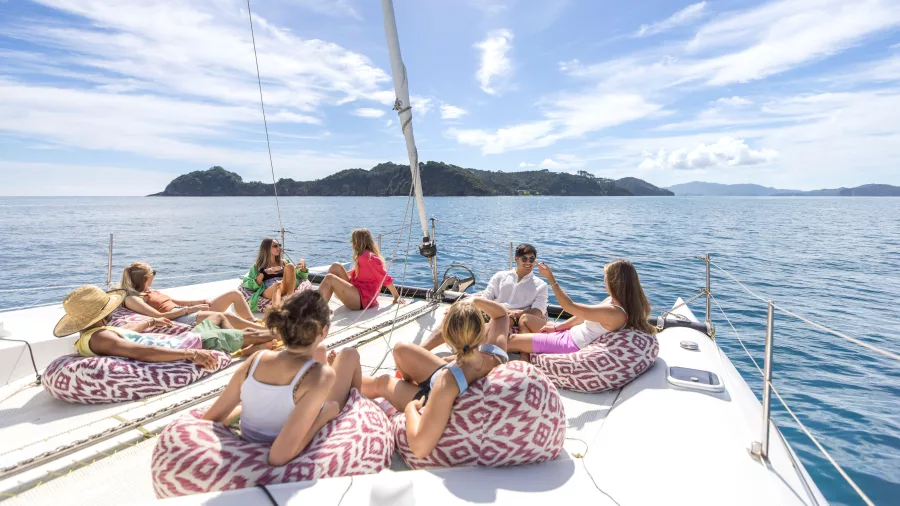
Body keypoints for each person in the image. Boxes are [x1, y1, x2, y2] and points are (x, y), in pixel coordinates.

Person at [202, 290, 362, 466]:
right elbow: (278, 457)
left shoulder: (256, 359)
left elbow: (211, 418)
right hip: (287, 444)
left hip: (249, 437)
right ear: (323, 330)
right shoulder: (322, 374)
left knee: (320, 350)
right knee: (349, 354)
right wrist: (324, 416)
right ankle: (358, 412)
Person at [360, 297, 509, 459]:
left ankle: (346, 384)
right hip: (448, 376)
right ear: (482, 332)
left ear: (448, 338)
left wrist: (410, 408)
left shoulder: (448, 380)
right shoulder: (496, 354)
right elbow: (501, 315)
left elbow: (420, 447)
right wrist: (473, 301)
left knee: (382, 382)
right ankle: (407, 384)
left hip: (429, 398)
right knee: (401, 349)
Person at [507, 259, 656, 362]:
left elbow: (570, 307)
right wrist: (557, 327)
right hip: (567, 334)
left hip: (569, 344)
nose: (604, 280)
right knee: (525, 318)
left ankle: (516, 359)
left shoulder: (614, 313)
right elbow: (582, 317)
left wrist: (551, 279)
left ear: (614, 282)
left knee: (510, 340)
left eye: (605, 277)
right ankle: (526, 357)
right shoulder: (614, 301)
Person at [120, 262, 276, 354]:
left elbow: (176, 301)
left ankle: (252, 322)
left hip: (183, 311)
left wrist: (197, 302)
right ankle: (263, 331)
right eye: (152, 274)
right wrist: (190, 310)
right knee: (226, 317)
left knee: (233, 294)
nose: (154, 276)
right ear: (145, 278)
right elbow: (158, 316)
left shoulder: (150, 291)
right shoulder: (133, 298)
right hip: (180, 318)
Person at [53, 285, 219, 370]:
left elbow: (125, 331)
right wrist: (193, 353)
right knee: (224, 323)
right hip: (182, 346)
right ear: (103, 312)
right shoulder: (100, 338)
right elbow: (143, 352)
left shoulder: (93, 336)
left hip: (179, 342)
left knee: (214, 321)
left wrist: (151, 322)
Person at [421, 243, 547, 351]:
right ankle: (423, 349)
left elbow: (537, 312)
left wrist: (517, 313)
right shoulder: (500, 276)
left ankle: (465, 358)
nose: (528, 263)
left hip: (512, 317)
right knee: (454, 317)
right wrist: (463, 306)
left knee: (491, 327)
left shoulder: (540, 285)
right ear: (516, 259)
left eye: (532, 259)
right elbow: (486, 296)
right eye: (524, 259)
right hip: (491, 310)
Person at [318, 228, 403, 310]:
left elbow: (385, 278)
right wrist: (339, 280)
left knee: (330, 278)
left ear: (358, 242)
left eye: (352, 241)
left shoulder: (368, 258)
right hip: (356, 291)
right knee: (335, 266)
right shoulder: (362, 256)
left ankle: (314, 309)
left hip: (362, 299)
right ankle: (319, 304)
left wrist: (396, 296)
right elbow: (356, 273)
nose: (351, 244)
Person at [242, 238, 309, 311]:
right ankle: (276, 313)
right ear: (267, 249)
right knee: (278, 285)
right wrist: (264, 272)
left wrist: (303, 268)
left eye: (279, 245)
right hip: (268, 290)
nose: (279, 248)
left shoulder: (283, 262)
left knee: (290, 266)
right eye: (275, 246)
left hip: (285, 286)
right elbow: (249, 284)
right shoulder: (257, 266)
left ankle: (290, 302)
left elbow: (300, 276)